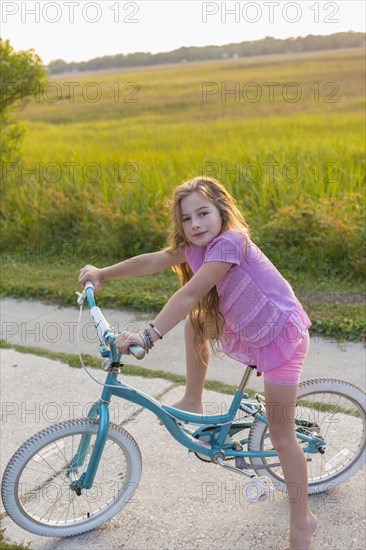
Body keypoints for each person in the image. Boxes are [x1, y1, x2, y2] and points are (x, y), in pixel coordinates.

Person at [79, 176, 317, 550]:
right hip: (249, 325)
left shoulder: (231, 242)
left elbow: (189, 292)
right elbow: (152, 261)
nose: (196, 224)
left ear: (222, 211)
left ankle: (302, 520)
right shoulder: (193, 244)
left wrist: (147, 336)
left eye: (203, 213)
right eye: (187, 219)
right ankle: (193, 398)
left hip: (279, 336)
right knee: (196, 325)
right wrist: (102, 274)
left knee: (282, 433)